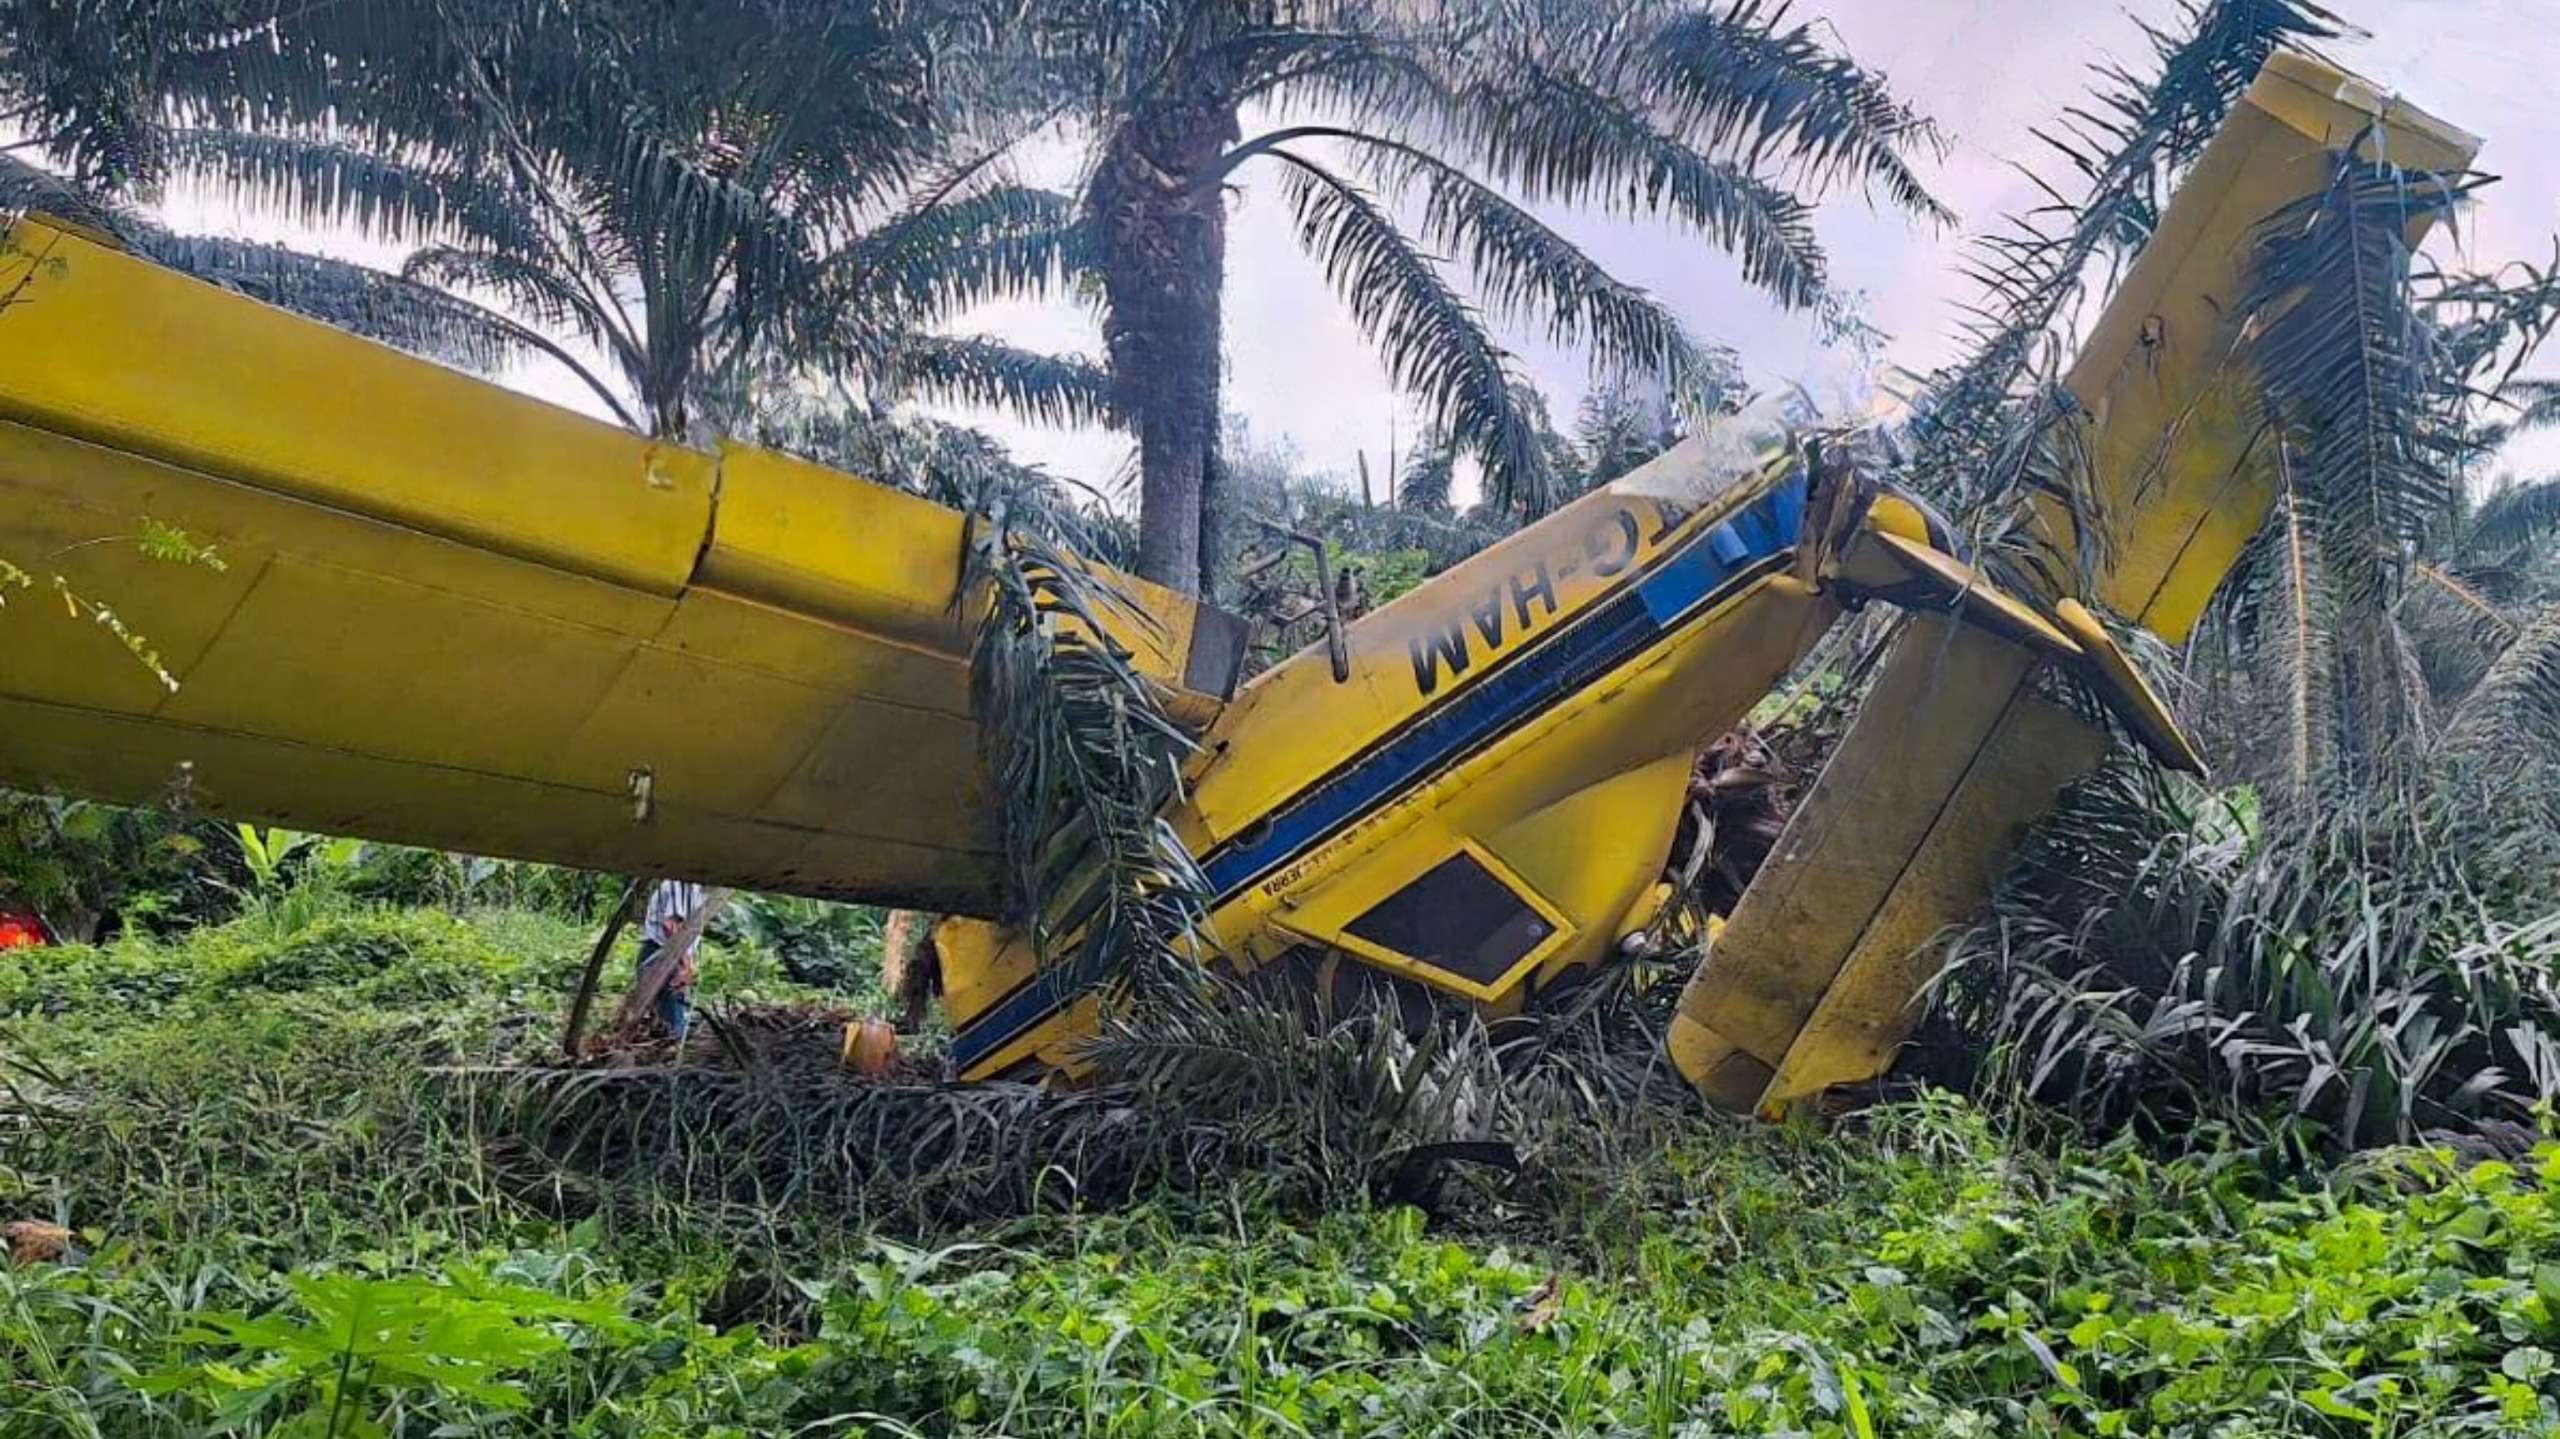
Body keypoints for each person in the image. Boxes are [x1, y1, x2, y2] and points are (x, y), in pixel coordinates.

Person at [635, 879, 707, 1040]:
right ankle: (669, 1057)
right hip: (665, 953)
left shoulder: (695, 888)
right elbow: (671, 926)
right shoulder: (678, 884)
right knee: (671, 1020)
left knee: (664, 1017)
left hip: (674, 953)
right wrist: (685, 965)